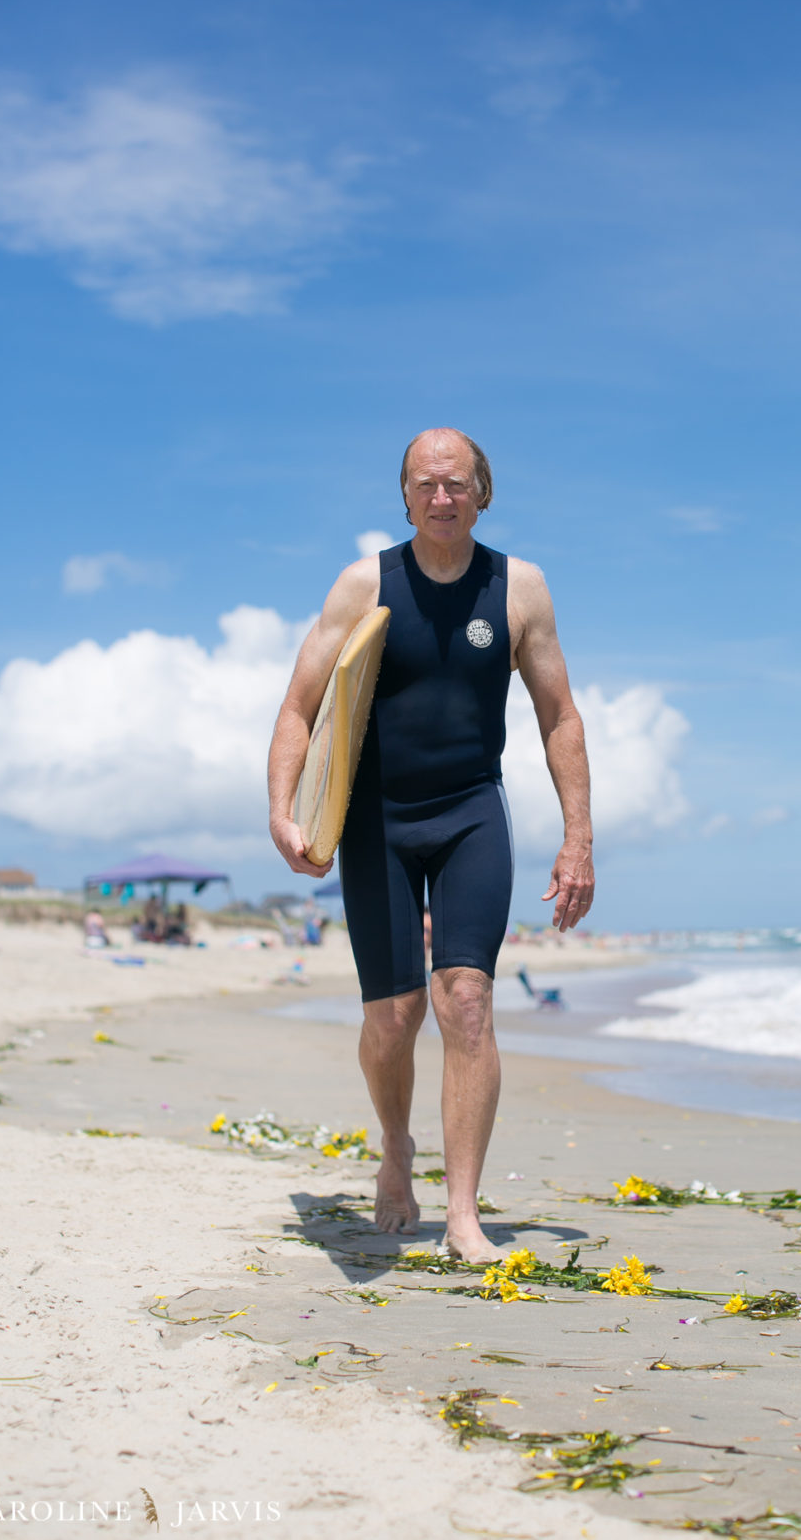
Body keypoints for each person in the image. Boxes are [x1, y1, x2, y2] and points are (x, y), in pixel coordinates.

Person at [267, 428, 594, 1260]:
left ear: (483, 491)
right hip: (375, 818)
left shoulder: (519, 588)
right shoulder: (363, 584)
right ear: (405, 496)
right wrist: (283, 810)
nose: (441, 497)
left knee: (467, 1001)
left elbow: (559, 715)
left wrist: (578, 837)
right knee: (393, 1015)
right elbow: (301, 704)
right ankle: (395, 1145)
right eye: (425, 484)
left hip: (470, 810)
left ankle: (462, 1213)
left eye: (455, 483)